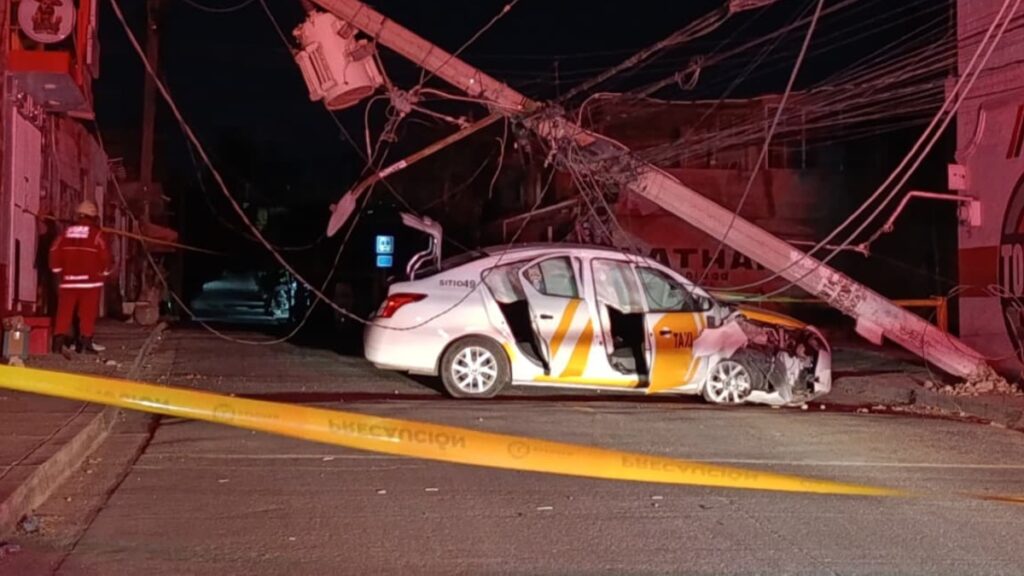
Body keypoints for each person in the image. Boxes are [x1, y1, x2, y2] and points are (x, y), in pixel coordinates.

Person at [48, 200, 113, 355]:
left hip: (68, 281)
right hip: (89, 283)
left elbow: (54, 251)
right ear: (94, 217)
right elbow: (105, 256)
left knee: (64, 312)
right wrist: (103, 273)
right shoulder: (97, 234)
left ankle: (57, 343)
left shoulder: (66, 232)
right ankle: (85, 343)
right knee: (87, 313)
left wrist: (58, 270)